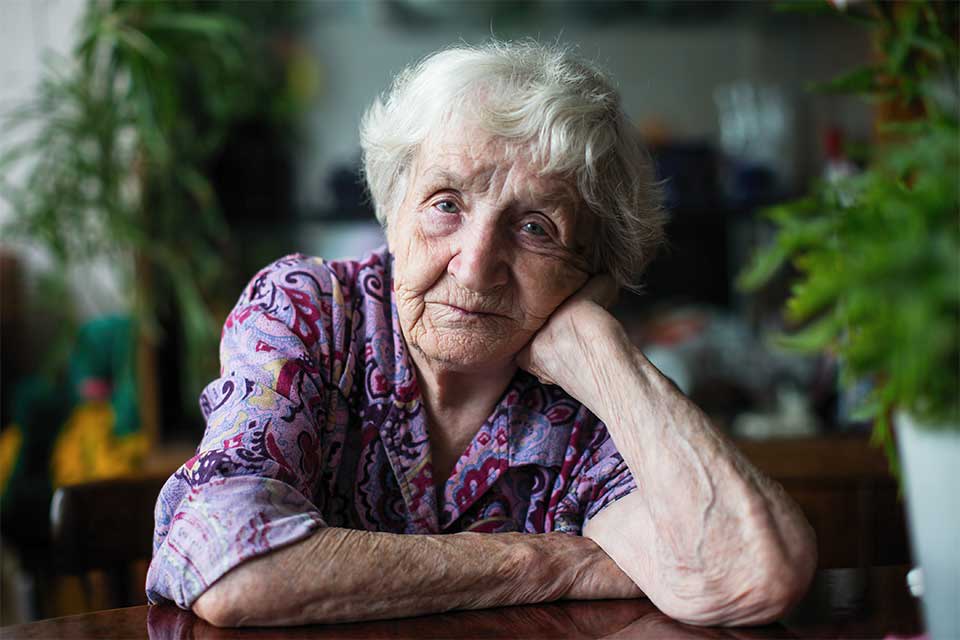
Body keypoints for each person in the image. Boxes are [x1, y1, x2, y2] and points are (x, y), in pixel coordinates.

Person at [146, 40, 816, 628]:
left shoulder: (579, 404)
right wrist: (549, 563)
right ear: (392, 208)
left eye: (536, 230)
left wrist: (598, 350)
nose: (474, 264)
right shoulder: (311, 311)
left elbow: (751, 574)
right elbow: (232, 564)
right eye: (446, 204)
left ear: (591, 271)